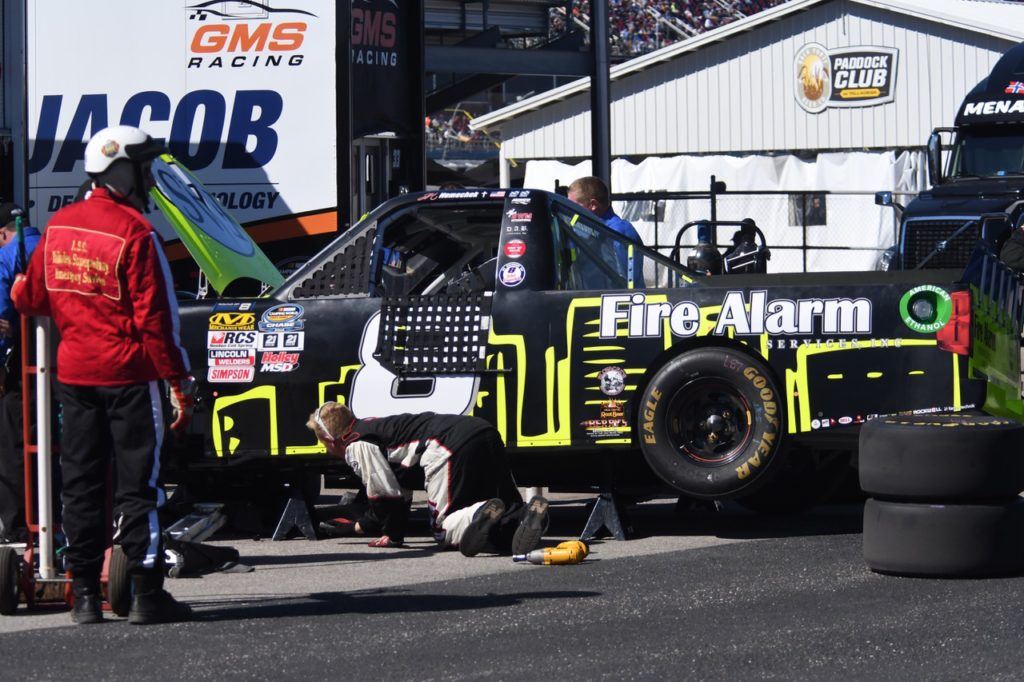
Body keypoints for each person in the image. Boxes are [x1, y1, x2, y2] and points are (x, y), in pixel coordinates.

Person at [12, 125, 195, 625]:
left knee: (82, 484)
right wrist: (178, 383)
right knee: (142, 486)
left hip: (74, 376)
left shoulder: (57, 228)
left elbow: (27, 298)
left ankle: (87, 596)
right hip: (130, 377)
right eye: (144, 169)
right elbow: (158, 321)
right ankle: (145, 593)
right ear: (123, 173)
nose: (150, 179)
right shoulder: (137, 233)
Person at [307, 402, 549, 557]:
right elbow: (400, 488)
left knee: (443, 529)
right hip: (482, 430)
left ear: (330, 440)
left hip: (447, 446)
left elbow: (385, 496)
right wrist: (394, 534)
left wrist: (368, 529)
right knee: (504, 504)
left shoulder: (356, 444)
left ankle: (479, 512)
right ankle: (525, 516)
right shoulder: (373, 426)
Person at [0, 202, 41, 544]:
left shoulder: (6, 257)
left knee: (15, 441)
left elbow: (1, 320)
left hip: (24, 363)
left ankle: (17, 523)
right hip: (68, 362)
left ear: (3, 234)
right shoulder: (55, 247)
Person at [567, 176, 645, 288]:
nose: (569, 211)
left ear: (593, 205)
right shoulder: (583, 228)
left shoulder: (618, 232)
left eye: (574, 206)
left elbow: (624, 282)